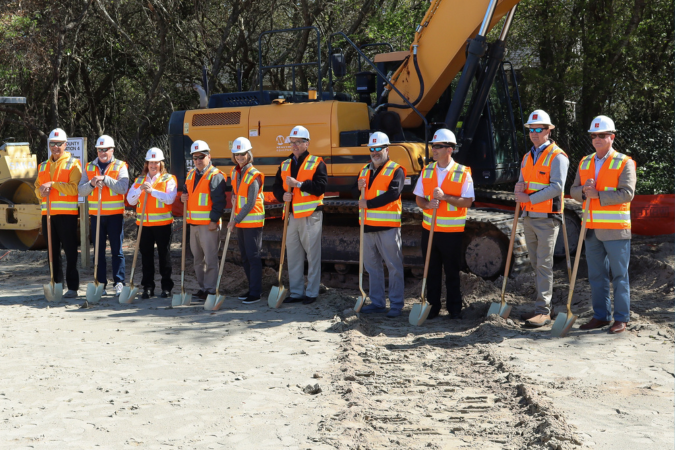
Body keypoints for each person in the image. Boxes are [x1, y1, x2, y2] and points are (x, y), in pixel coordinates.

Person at [570, 116, 636, 334]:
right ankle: (601, 316)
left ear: (612, 137)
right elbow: (573, 191)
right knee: (596, 276)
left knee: (619, 275)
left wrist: (597, 194)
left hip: (616, 230)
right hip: (590, 230)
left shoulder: (624, 162)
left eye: (602, 135)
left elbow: (627, 193)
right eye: (594, 135)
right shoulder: (585, 161)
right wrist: (582, 192)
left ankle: (621, 318)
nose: (597, 138)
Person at [514, 110, 569, 327]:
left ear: (548, 131)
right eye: (531, 130)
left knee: (544, 265)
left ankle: (543, 312)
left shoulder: (558, 156)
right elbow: (522, 184)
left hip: (547, 218)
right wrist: (519, 191)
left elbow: (557, 187)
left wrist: (528, 198)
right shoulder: (528, 156)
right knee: (536, 264)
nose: (534, 133)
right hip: (529, 217)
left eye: (539, 129)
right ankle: (543, 308)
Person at [413, 128, 474, 320]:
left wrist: (445, 197)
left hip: (452, 232)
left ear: (450, 149)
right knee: (431, 271)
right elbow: (419, 199)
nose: (434, 149)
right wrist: (427, 204)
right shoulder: (427, 170)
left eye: (438, 146)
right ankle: (432, 307)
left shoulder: (463, 172)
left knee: (452, 272)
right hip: (429, 230)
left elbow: (467, 201)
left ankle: (454, 309)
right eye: (433, 145)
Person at [352, 132, 406, 318]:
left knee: (394, 267)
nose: (374, 152)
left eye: (378, 149)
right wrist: (357, 187)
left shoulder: (396, 170)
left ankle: (397, 305)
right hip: (367, 227)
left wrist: (369, 204)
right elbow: (355, 193)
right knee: (372, 267)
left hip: (388, 227)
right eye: (372, 149)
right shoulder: (364, 170)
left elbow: (393, 193)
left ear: (386, 150)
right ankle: (377, 303)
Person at [272, 125, 327, 305]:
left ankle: (311, 292)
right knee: (293, 256)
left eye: (298, 142)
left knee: (312, 256)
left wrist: (299, 184)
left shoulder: (317, 162)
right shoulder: (285, 164)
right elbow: (276, 187)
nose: (294, 145)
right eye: (292, 142)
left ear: (306, 143)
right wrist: (282, 196)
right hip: (292, 216)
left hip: (311, 215)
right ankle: (296, 292)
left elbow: (320, 188)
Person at [78, 135, 129, 297]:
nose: (102, 152)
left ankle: (119, 282)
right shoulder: (89, 167)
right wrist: (92, 183)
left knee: (117, 251)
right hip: (97, 216)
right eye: (99, 150)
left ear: (112, 150)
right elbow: (81, 190)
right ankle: (100, 283)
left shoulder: (120, 166)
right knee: (98, 252)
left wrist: (106, 179)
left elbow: (123, 188)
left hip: (114, 216)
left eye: (105, 149)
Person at [34, 128, 82, 298]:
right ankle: (56, 285)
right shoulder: (43, 165)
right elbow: (37, 189)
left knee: (69, 251)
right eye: (52, 144)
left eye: (59, 144)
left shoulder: (73, 164)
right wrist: (41, 192)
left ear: (65, 145)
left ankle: (73, 288)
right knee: (52, 253)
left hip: (66, 215)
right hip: (48, 215)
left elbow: (74, 189)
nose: (55, 147)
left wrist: (53, 184)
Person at [126, 148, 177, 299]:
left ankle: (166, 287)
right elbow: (130, 200)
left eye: (156, 162)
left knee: (164, 256)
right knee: (146, 257)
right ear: (146, 164)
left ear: (161, 163)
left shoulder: (169, 179)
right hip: (144, 225)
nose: (153, 165)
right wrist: (140, 190)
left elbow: (170, 198)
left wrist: (152, 191)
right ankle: (148, 287)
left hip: (162, 224)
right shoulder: (139, 180)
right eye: (150, 162)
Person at [180, 140, 226, 301]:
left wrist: (214, 221)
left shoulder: (215, 176)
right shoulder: (191, 174)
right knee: (198, 260)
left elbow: (219, 202)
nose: (198, 160)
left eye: (201, 157)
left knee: (210, 259)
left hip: (209, 225)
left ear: (209, 156)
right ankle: (203, 288)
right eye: (195, 158)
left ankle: (211, 289)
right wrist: (183, 197)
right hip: (193, 225)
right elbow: (187, 195)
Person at [228, 137, 265, 304]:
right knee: (244, 256)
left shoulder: (254, 175)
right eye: (236, 154)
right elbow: (239, 195)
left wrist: (234, 220)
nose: (239, 157)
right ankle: (251, 288)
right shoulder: (235, 172)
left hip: (252, 222)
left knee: (253, 256)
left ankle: (256, 293)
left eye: (242, 154)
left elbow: (250, 203)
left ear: (249, 154)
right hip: (242, 222)